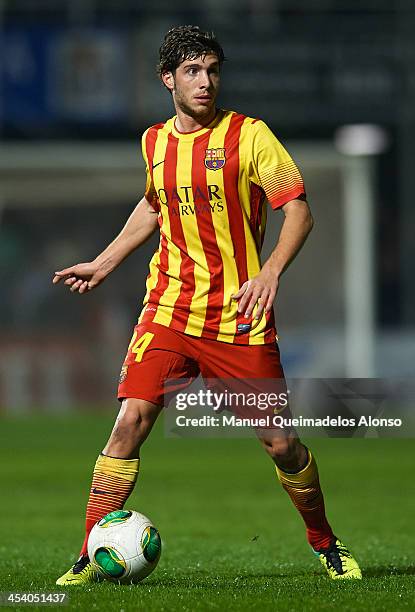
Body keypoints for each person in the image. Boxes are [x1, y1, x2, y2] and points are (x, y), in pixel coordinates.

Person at [54, 25, 361, 585]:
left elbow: (299, 211)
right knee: (129, 423)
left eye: (213, 70)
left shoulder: (249, 136)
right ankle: (86, 555)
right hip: (169, 307)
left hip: (237, 317)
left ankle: (327, 544)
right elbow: (154, 205)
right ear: (167, 78)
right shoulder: (153, 142)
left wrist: (269, 272)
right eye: (193, 71)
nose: (206, 81)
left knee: (282, 444)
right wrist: (105, 261)